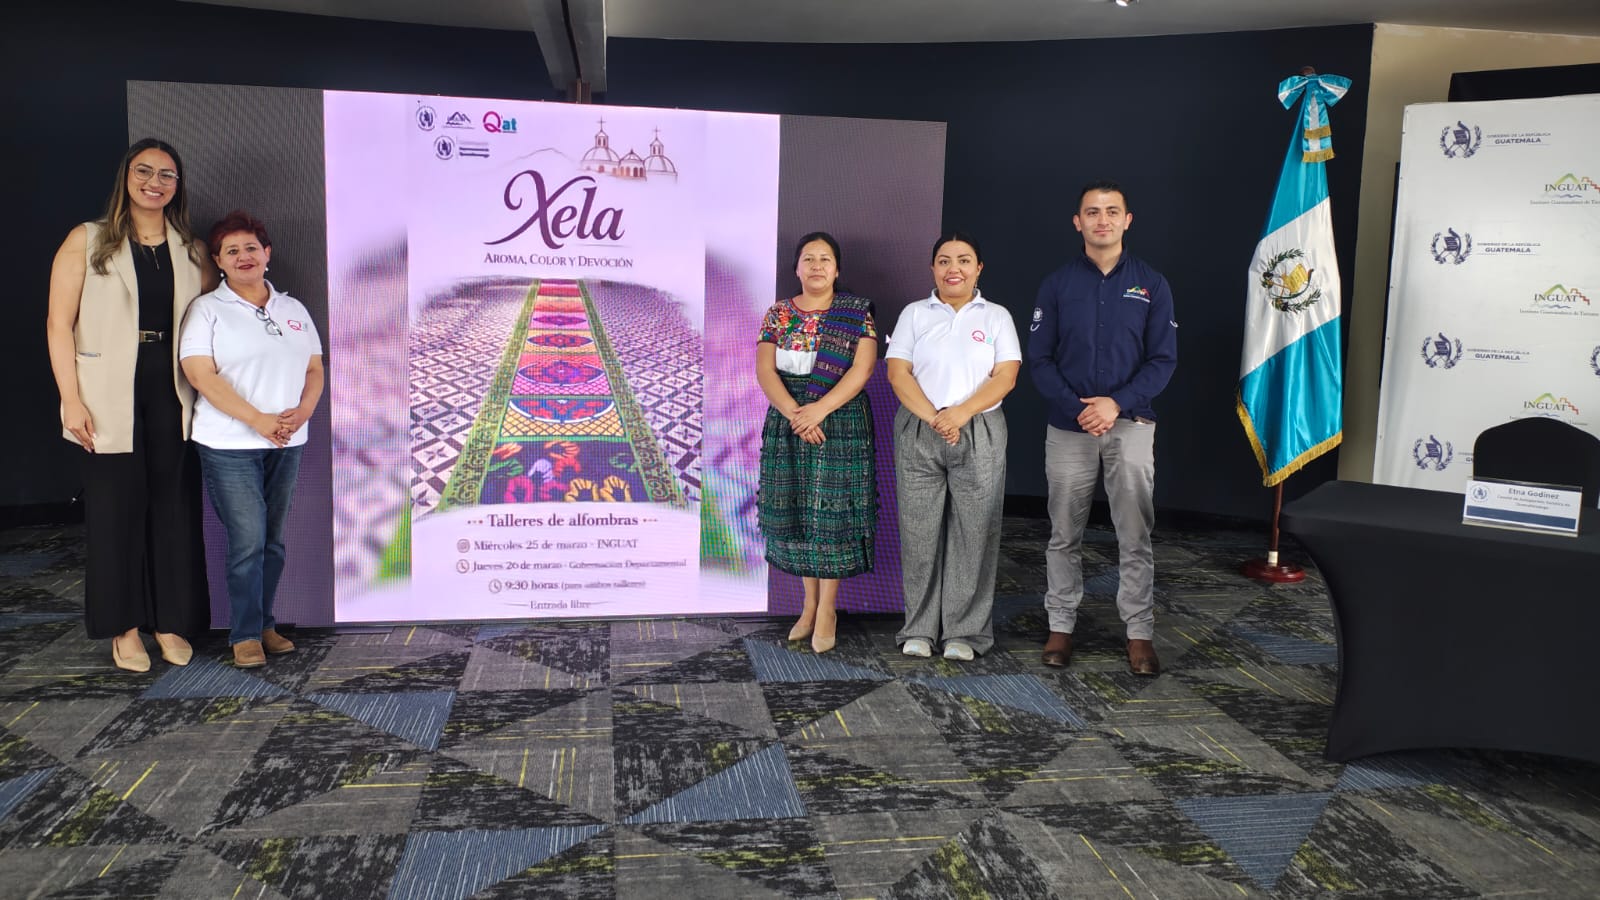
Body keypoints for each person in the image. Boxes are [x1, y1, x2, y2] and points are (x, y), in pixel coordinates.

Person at [46, 138, 215, 673]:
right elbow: (58, 324)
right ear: (126, 176)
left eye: (166, 175)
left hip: (172, 387)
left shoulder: (192, 248)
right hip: (104, 391)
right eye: (144, 171)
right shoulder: (87, 239)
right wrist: (70, 399)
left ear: (177, 186)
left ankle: (169, 621)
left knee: (172, 507)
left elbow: (215, 318)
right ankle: (123, 628)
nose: (154, 182)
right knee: (115, 510)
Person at [1029, 179, 1178, 676]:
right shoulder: (1056, 284)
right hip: (1069, 427)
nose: (1102, 220)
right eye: (1092, 212)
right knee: (1063, 533)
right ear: (1078, 222)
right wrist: (1079, 408)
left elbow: (1163, 360)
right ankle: (1060, 625)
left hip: (1130, 423)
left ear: (1127, 220)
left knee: (1135, 534)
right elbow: (1040, 359)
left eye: (1112, 211)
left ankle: (1139, 633)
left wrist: (1116, 404)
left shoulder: (1152, 284)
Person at [179, 211, 324, 668]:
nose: (243, 256)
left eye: (251, 248)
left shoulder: (293, 309)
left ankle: (264, 625)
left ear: (267, 254)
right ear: (218, 261)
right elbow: (200, 375)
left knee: (273, 542)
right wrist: (258, 420)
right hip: (229, 444)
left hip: (286, 441)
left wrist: (304, 412)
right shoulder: (207, 310)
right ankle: (243, 635)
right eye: (232, 250)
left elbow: (314, 368)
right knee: (248, 541)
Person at [886, 232, 1020, 661]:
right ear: (933, 268)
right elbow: (898, 373)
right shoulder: (914, 314)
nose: (953, 269)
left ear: (978, 268)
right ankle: (919, 629)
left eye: (964, 260)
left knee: (975, 532)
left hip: (978, 428)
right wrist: (934, 417)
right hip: (920, 427)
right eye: (944, 261)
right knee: (919, 532)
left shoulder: (996, 316)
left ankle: (965, 632)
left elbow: (1006, 376)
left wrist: (960, 413)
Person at [756, 232, 878, 654]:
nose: (817, 266)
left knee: (832, 515)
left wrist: (819, 410)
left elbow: (862, 370)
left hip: (839, 416)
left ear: (837, 269)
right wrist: (797, 414)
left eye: (825, 259)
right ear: (796, 268)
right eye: (809, 259)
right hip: (789, 416)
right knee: (798, 511)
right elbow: (766, 371)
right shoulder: (778, 313)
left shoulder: (855, 314)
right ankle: (808, 605)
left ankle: (828, 609)